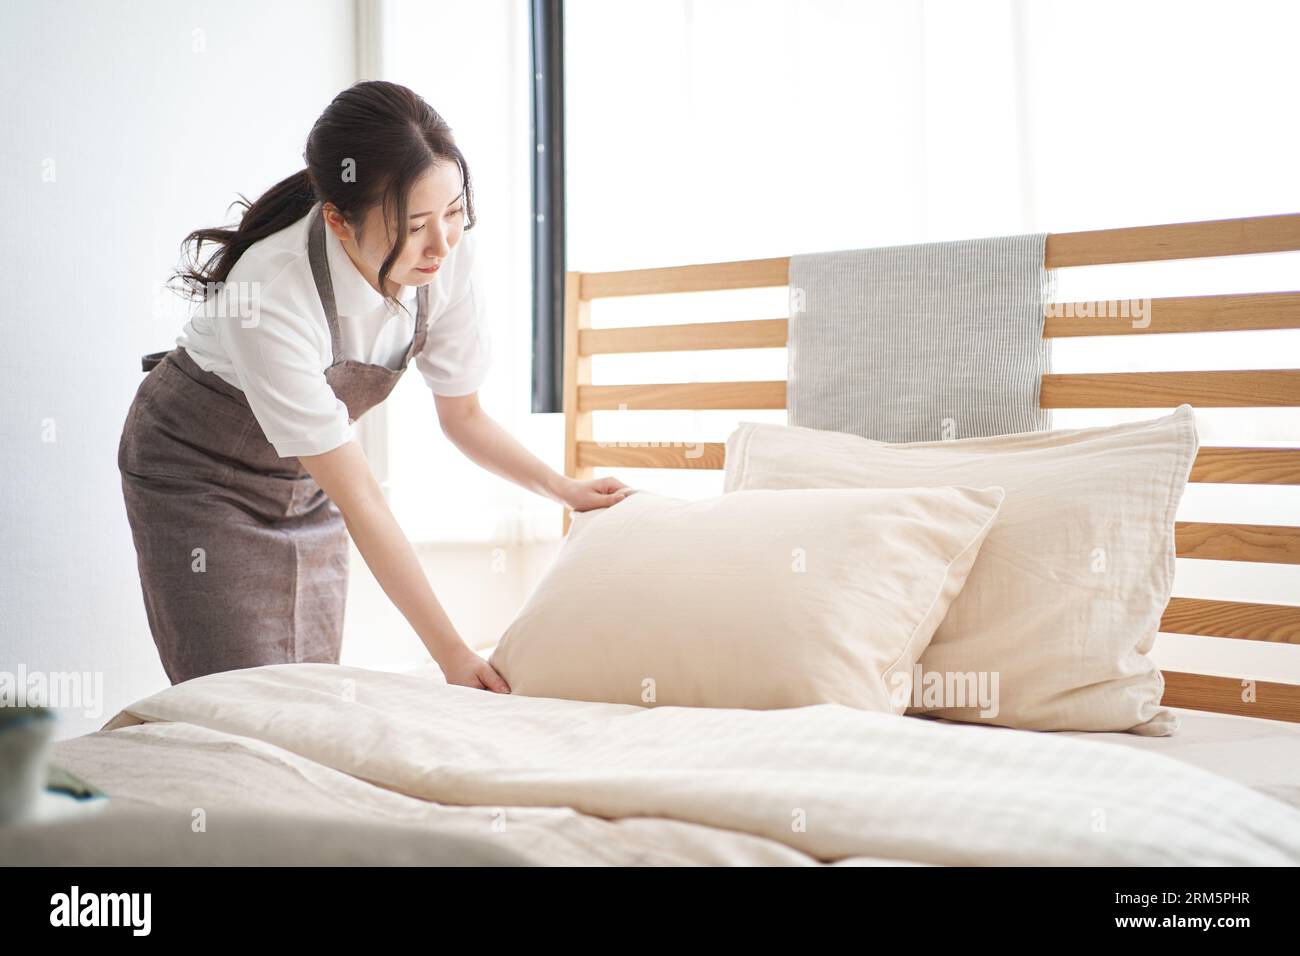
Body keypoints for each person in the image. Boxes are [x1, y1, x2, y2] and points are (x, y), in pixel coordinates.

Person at [118, 81, 631, 690]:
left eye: (454, 212)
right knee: (241, 698)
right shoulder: (270, 292)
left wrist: (562, 489)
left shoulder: (445, 259)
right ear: (338, 220)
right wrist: (454, 655)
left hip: (306, 477)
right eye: (414, 226)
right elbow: (361, 496)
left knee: (310, 692)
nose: (441, 244)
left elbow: (463, 416)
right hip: (199, 474)